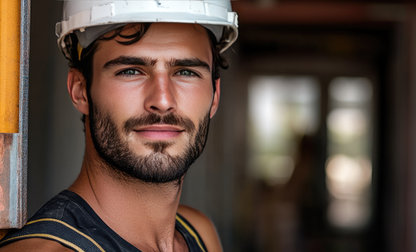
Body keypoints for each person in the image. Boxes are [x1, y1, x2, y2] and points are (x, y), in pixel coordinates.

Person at [0, 0, 238, 251]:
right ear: (80, 91)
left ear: (215, 95)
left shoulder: (198, 233)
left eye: (186, 72)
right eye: (131, 71)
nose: (163, 101)